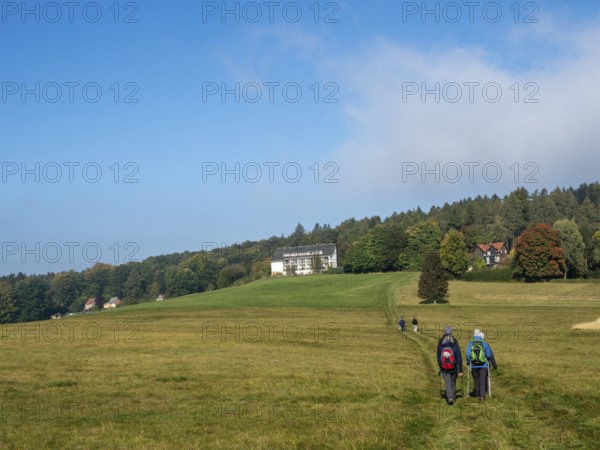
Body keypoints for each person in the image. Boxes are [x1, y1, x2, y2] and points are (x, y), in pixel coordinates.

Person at [466, 329, 497, 401]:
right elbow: (488, 354)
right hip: (483, 365)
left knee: (476, 379)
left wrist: (468, 361)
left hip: (473, 364)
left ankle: (477, 393)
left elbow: (468, 354)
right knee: (482, 380)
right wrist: (487, 360)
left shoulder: (471, 343)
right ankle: (482, 396)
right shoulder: (484, 343)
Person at [437, 325, 463, 405]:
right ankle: (453, 397)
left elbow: (438, 355)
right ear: (451, 332)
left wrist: (440, 364)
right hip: (454, 366)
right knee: (453, 382)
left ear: (444, 332)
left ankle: (450, 398)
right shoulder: (454, 341)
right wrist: (460, 369)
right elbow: (458, 355)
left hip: (444, 367)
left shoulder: (441, 341)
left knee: (447, 382)